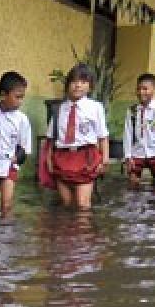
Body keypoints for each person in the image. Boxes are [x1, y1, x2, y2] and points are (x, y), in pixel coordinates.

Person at [42, 64, 109, 210]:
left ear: (90, 86)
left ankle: (84, 233)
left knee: (82, 204)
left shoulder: (95, 107)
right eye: (74, 81)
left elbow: (103, 137)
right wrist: (48, 160)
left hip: (86, 157)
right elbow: (51, 138)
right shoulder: (58, 109)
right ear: (67, 85)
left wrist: (104, 161)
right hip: (62, 157)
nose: (78, 85)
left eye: (83, 82)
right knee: (66, 204)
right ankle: (67, 232)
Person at [0, 71, 33, 217]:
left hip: (8, 165)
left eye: (22, 97)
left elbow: (24, 147)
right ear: (3, 95)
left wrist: (17, 159)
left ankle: (7, 235)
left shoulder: (22, 120)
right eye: (17, 97)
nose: (20, 101)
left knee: (7, 204)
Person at [123, 72, 155, 187]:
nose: (141, 92)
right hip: (137, 152)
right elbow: (127, 134)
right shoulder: (133, 111)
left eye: (145, 89)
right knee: (133, 182)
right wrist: (128, 156)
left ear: (154, 89)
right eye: (138, 89)